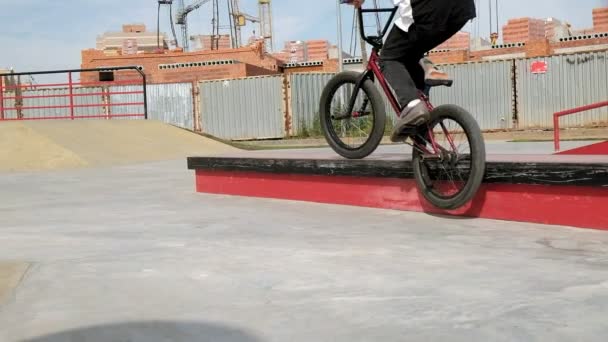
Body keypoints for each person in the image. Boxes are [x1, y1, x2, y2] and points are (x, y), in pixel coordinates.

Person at [343, 0, 477, 141]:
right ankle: (422, 129)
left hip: (427, 7)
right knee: (411, 53)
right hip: (462, 8)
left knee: (388, 58)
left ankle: (412, 104)